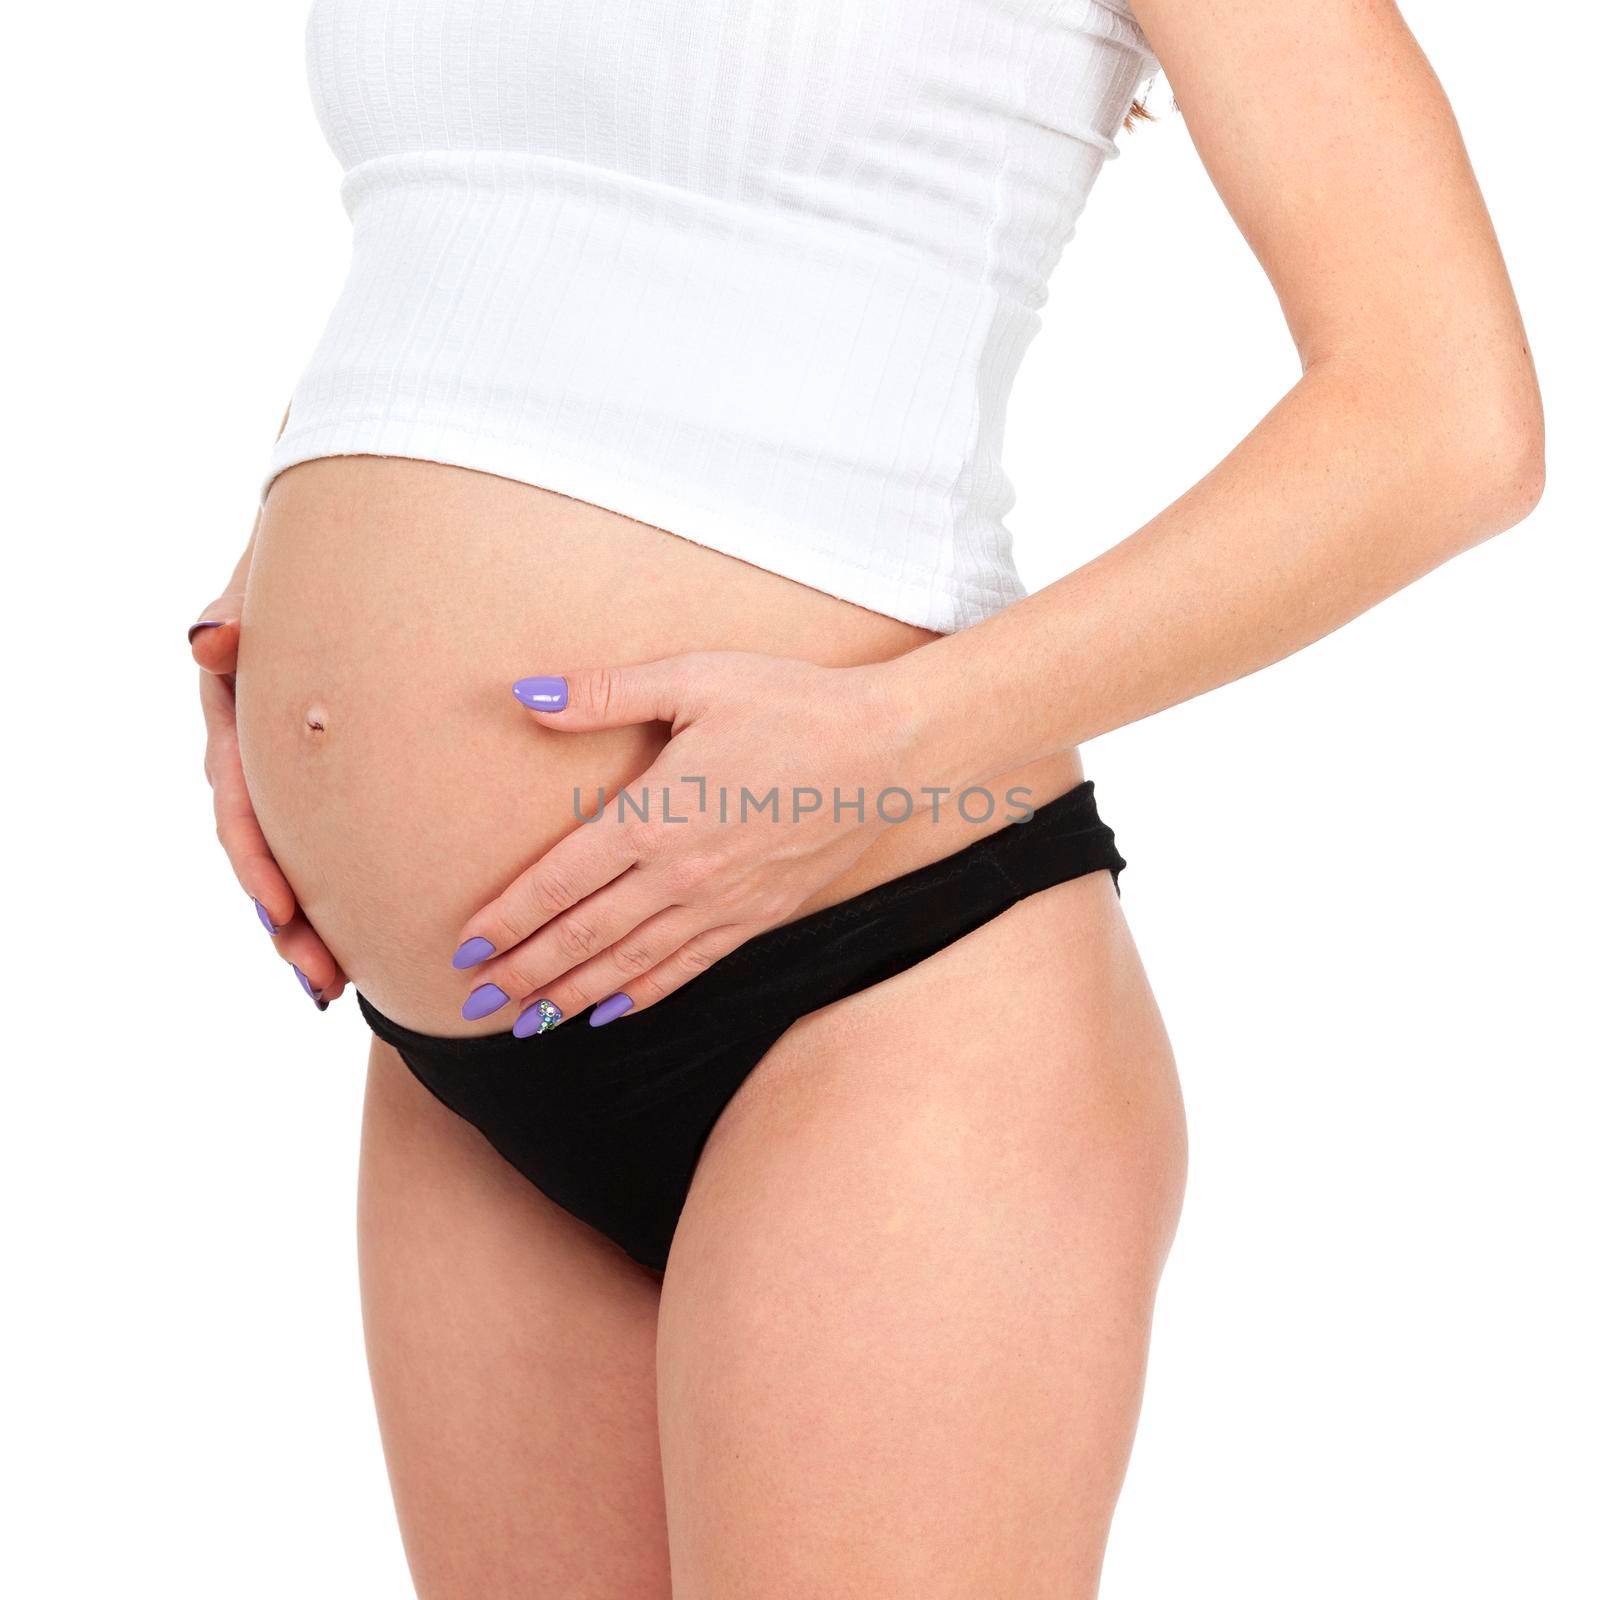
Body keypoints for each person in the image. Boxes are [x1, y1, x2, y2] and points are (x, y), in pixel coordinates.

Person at [188, 1, 1543, 1594]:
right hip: (489, 1025)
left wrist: (900, 737)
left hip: (880, 990)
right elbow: (466, 230)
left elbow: (1448, 419)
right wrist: (279, 603)